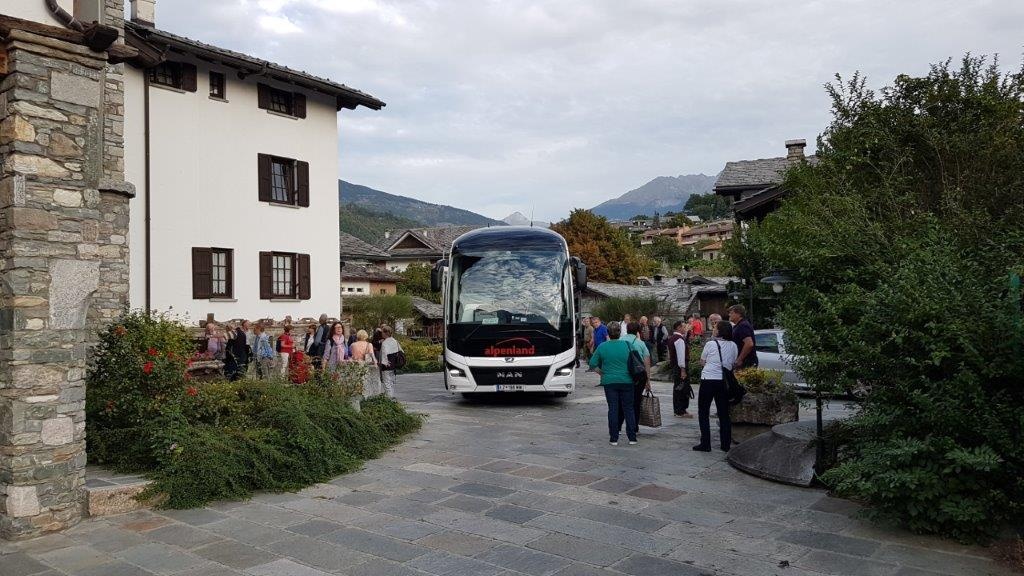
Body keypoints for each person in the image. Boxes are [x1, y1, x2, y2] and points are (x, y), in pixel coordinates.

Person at [588, 322, 639, 446]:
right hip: (627, 380)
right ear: (620, 332)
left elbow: (592, 364)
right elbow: (638, 362)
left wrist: (602, 373)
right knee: (629, 409)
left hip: (609, 381)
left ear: (608, 333)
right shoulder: (628, 345)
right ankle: (632, 437)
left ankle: (614, 438)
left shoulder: (602, 347)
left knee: (613, 409)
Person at [694, 320, 737, 452]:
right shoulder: (733, 345)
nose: (713, 329)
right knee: (723, 413)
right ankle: (725, 444)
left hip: (708, 379)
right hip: (723, 381)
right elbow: (732, 363)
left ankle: (705, 443)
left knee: (703, 411)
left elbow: (702, 361)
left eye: (715, 328)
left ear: (719, 331)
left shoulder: (711, 344)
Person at [620, 322, 652, 432]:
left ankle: (619, 425)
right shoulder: (640, 343)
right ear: (638, 331)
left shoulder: (620, 341)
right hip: (638, 377)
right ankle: (634, 426)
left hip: (623, 375)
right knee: (636, 402)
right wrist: (648, 380)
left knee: (622, 401)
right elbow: (647, 362)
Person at [667, 320, 693, 418]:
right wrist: (683, 369)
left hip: (675, 366)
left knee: (677, 387)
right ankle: (681, 410)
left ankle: (678, 409)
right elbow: (681, 355)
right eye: (683, 327)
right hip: (680, 367)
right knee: (682, 388)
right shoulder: (679, 339)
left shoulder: (672, 338)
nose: (685, 328)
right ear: (678, 327)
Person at [728, 304, 758, 369]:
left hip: (746, 362)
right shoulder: (737, 326)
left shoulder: (743, 325)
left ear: (738, 314)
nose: (729, 315)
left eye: (731, 313)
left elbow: (749, 344)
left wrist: (739, 359)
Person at [378, 325, 402, 398]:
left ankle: (389, 399)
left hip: (387, 365)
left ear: (385, 333)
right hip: (394, 364)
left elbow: (384, 353)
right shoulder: (395, 341)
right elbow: (400, 351)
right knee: (391, 382)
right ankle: (391, 397)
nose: (381, 334)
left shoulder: (385, 343)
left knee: (386, 383)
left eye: (382, 332)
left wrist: (384, 363)